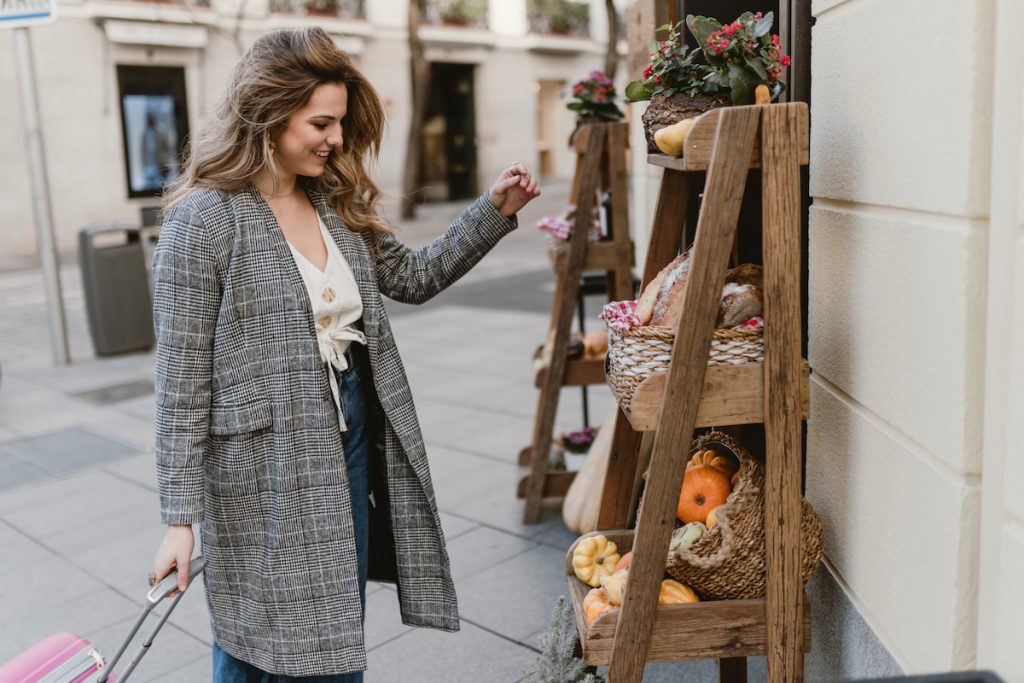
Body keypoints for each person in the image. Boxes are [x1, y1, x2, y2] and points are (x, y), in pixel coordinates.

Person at [149, 27, 540, 682]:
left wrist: (492, 212)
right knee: (256, 640)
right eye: (320, 122)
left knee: (331, 629)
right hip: (259, 465)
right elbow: (180, 383)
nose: (334, 138)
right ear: (270, 115)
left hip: (349, 438)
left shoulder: (332, 199)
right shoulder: (205, 220)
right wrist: (178, 520)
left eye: (340, 122)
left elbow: (415, 277)